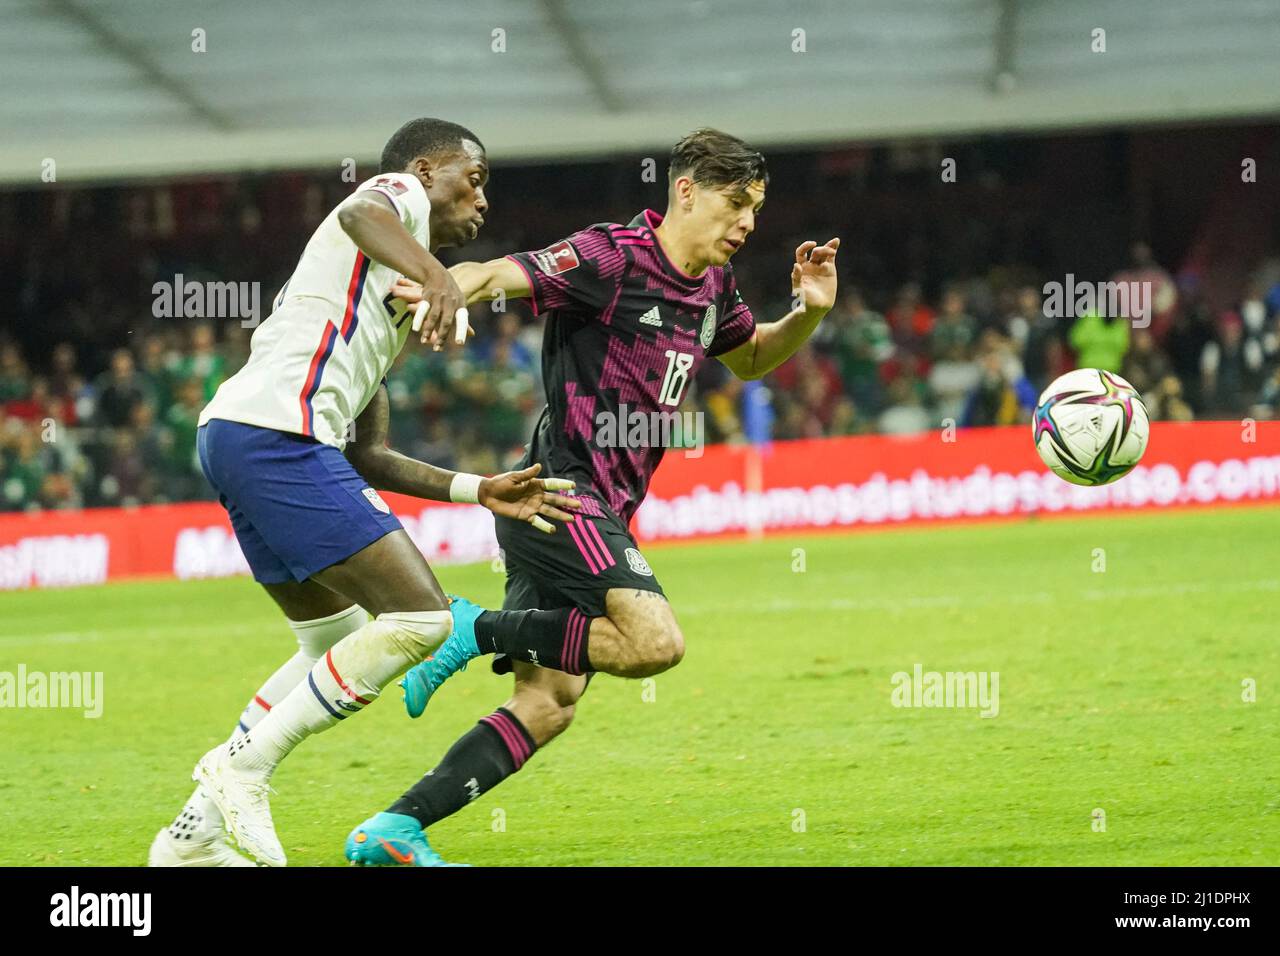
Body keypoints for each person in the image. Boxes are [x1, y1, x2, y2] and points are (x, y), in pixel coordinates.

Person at [344, 128, 840, 866]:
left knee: (550, 702)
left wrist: (810, 312)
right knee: (654, 643)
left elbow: (755, 358)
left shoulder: (712, 288)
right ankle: (470, 629)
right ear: (686, 192)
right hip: (559, 495)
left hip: (601, 507)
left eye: (756, 210)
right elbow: (492, 275)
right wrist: (446, 287)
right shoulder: (612, 257)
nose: (746, 224)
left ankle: (393, 829)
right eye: (736, 204)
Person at [148, 118, 581, 868]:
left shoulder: (377, 297)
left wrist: (480, 489)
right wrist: (445, 278)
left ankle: (190, 840)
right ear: (426, 169)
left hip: (242, 437)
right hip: (273, 437)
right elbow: (359, 211)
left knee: (332, 642)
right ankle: (240, 771)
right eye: (472, 178)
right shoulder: (396, 197)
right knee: (420, 618)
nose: (481, 200)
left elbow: (370, 456)